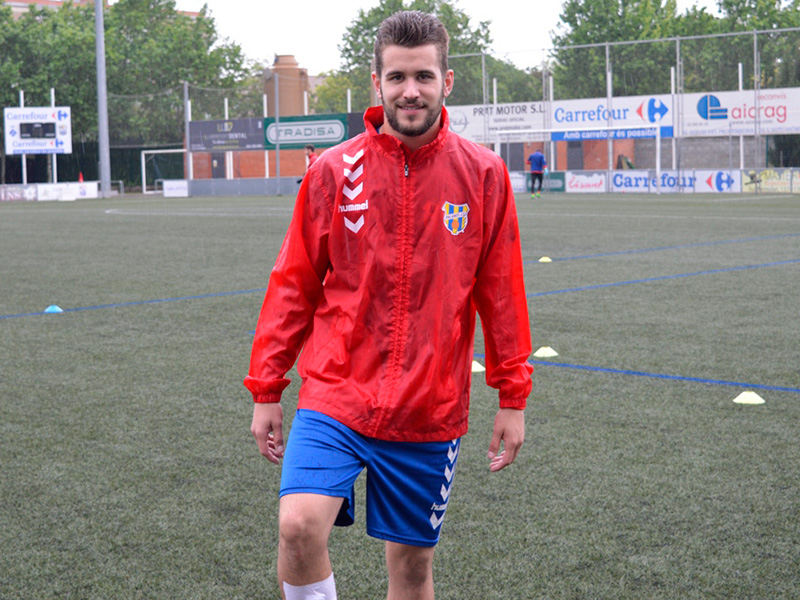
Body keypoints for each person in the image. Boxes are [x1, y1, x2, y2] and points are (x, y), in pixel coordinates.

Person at [246, 10, 533, 600]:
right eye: (398, 76)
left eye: (424, 76)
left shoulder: (483, 175)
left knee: (410, 570)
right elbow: (293, 283)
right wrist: (268, 388)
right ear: (376, 82)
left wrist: (512, 397)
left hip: (429, 408)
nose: (411, 90)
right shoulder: (333, 171)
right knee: (298, 527)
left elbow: (501, 292)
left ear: (446, 82)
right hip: (336, 392)